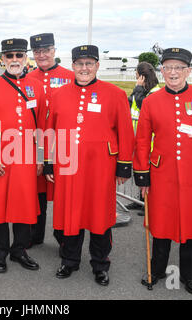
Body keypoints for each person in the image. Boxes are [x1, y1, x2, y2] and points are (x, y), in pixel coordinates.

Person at [133, 48, 192, 295]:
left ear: (188, 71)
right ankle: (159, 268)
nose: (173, 73)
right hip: (162, 173)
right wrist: (142, 174)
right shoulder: (151, 101)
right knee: (161, 223)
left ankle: (189, 275)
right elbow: (142, 140)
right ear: (162, 71)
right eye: (168, 68)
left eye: (178, 68)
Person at [44, 45, 134, 285]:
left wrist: (124, 165)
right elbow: (50, 131)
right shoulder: (59, 94)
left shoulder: (114, 94)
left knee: (100, 215)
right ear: (73, 66)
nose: (84, 68)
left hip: (100, 168)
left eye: (89, 63)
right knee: (71, 213)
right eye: (79, 63)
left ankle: (100, 264)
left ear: (97, 65)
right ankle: (69, 260)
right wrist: (49, 163)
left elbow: (125, 131)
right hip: (68, 167)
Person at [0, 38, 46, 273]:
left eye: (19, 55)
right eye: (10, 56)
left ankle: (19, 251)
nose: (15, 60)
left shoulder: (37, 86)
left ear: (26, 58)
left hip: (25, 158)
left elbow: (43, 125)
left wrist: (41, 158)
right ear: (2, 59)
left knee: (23, 207)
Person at [27, 33, 75, 248]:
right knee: (36, 192)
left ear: (54, 50)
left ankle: (62, 234)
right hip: (35, 144)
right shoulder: (27, 78)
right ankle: (34, 234)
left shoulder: (70, 76)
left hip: (61, 143)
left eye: (46, 50)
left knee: (63, 193)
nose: (42, 55)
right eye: (37, 51)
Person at [122, 62, 160, 218]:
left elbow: (141, 105)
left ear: (142, 75)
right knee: (140, 171)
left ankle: (148, 204)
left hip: (151, 142)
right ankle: (140, 200)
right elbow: (130, 102)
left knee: (150, 176)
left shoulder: (154, 93)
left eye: (137, 74)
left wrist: (138, 89)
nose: (135, 77)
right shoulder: (143, 90)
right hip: (138, 140)